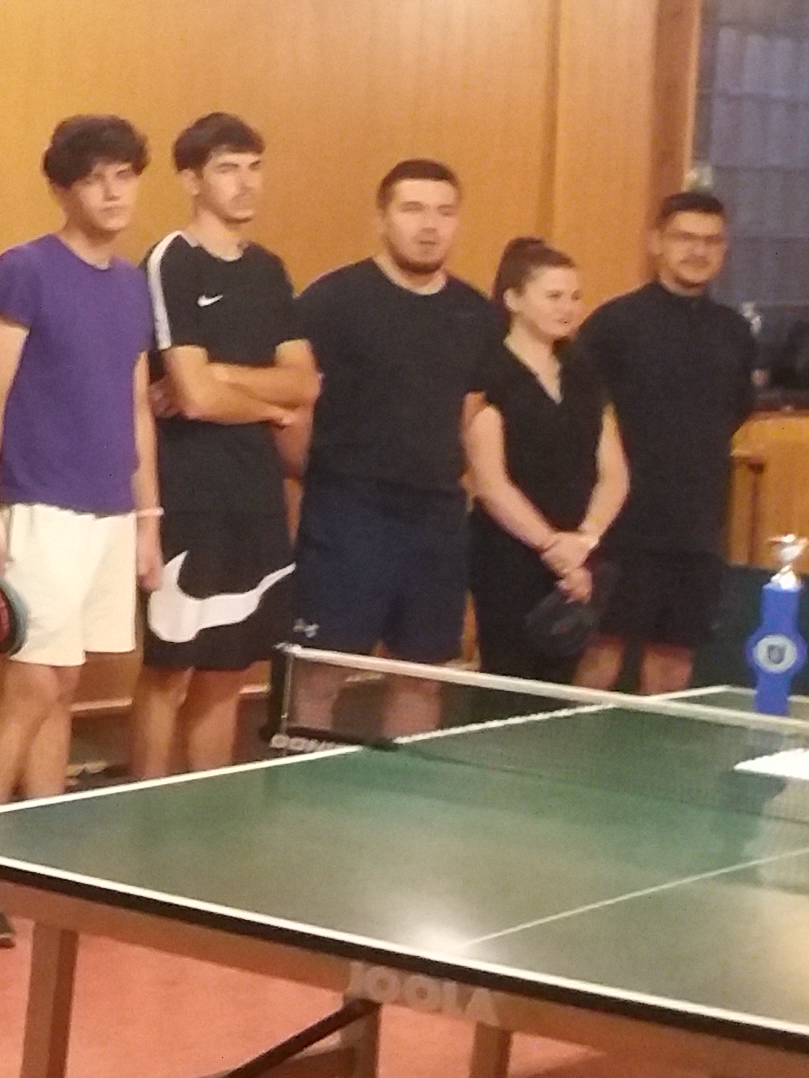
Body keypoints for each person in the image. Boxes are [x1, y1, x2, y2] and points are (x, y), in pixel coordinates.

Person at [0, 119, 164, 919]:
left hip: (109, 510)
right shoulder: (23, 271)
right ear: (63, 188)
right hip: (36, 503)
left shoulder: (133, 285)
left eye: (125, 175)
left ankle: (39, 867)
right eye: (95, 178)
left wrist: (148, 518)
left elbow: (136, 406)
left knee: (64, 685)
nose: (113, 192)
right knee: (31, 684)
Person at [130, 114, 317, 777]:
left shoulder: (268, 269)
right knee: (170, 668)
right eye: (227, 169)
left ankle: (206, 806)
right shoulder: (172, 261)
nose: (245, 182)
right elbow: (193, 396)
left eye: (254, 167)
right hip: (188, 494)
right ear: (191, 180)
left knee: (229, 669)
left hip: (255, 495)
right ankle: (144, 807)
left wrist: (223, 375)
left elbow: (305, 383)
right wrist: (265, 404)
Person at [291, 161, 502, 714]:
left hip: (437, 515)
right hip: (348, 510)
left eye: (444, 212)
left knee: (421, 675)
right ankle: (304, 775)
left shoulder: (475, 312)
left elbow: (470, 413)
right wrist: (320, 478)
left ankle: (407, 778)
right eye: (413, 209)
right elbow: (293, 409)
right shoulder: (332, 301)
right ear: (382, 218)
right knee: (321, 669)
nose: (429, 225)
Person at [577, 193, 761, 694]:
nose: (698, 251)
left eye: (711, 241)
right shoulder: (614, 324)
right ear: (655, 242)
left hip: (697, 529)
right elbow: (580, 416)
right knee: (601, 652)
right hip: (621, 526)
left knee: (675, 657)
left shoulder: (734, 331)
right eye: (685, 238)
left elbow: (735, 411)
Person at [465, 238, 627, 684]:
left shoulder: (583, 371)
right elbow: (491, 483)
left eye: (575, 297)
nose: (567, 308)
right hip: (510, 553)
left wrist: (585, 540)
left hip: (580, 550)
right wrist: (551, 547)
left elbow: (614, 474)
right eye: (553, 296)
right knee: (510, 678)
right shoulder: (489, 372)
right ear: (514, 299)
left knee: (562, 682)